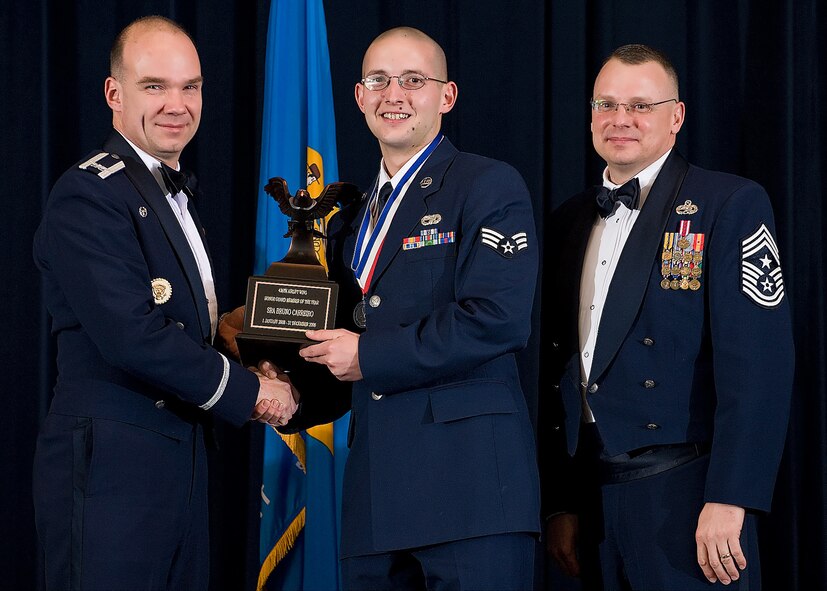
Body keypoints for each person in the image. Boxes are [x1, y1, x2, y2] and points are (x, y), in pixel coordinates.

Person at [32, 16, 296, 590]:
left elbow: (179, 325)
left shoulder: (167, 192)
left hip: (180, 460)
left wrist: (244, 340)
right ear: (114, 93)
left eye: (190, 87)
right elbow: (132, 334)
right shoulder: (88, 194)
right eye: (154, 86)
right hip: (112, 470)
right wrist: (252, 392)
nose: (177, 105)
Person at [284, 26, 541, 590]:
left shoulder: (488, 184)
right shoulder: (351, 217)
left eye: (413, 80)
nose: (393, 95)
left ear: (446, 96)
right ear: (359, 97)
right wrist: (288, 394)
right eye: (378, 80)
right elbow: (347, 347)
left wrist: (368, 355)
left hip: (471, 493)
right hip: (375, 499)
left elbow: (497, 318)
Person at [540, 44, 794, 590]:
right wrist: (561, 501)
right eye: (607, 105)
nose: (621, 119)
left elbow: (759, 366)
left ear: (676, 116)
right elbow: (555, 370)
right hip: (592, 501)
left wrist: (731, 496)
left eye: (641, 105)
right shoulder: (568, 220)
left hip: (689, 493)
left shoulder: (728, 203)